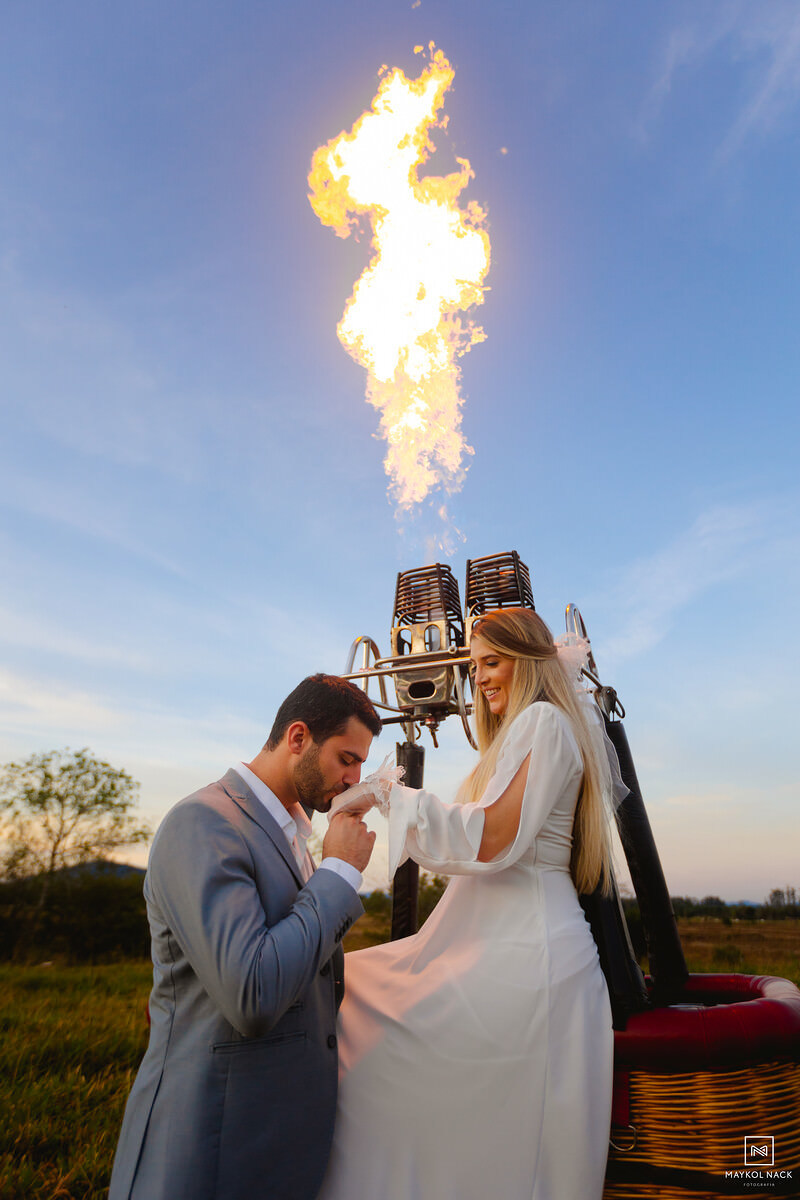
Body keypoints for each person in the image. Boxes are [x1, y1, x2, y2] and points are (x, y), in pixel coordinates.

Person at [317, 608, 617, 1200]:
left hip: (524, 953)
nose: (479, 678)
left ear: (528, 663)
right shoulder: (533, 730)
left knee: (372, 1033)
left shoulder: (544, 722)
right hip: (498, 940)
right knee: (354, 981)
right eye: (475, 665)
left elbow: (496, 836)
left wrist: (393, 797)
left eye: (491, 662)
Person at [109, 674, 381, 1200]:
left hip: (277, 1146)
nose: (354, 779)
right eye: (347, 758)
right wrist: (341, 873)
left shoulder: (294, 835)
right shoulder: (205, 823)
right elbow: (251, 993)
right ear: (298, 738)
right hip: (208, 1150)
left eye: (361, 764)